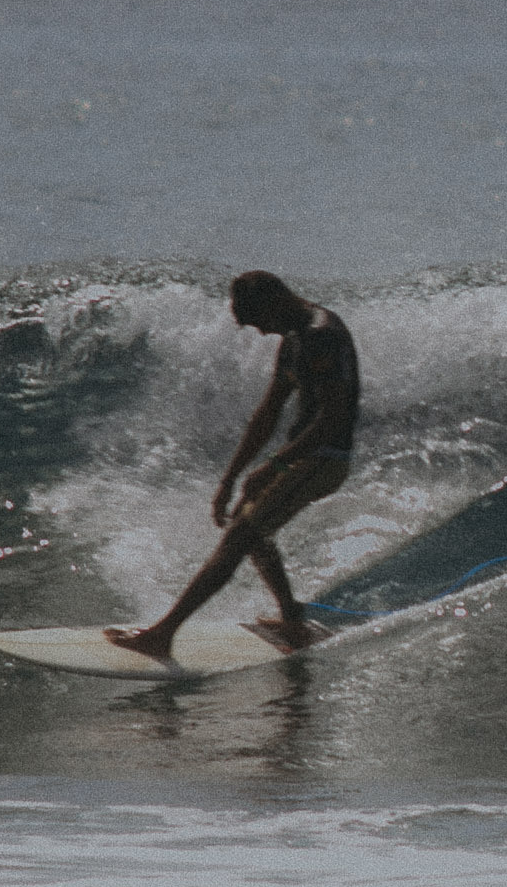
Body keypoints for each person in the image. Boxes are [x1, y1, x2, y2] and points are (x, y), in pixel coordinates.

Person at [104, 270, 359, 662]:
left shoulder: (320, 336)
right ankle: (292, 620)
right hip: (304, 458)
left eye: (259, 321)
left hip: (325, 459)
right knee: (248, 526)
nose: (260, 332)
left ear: (276, 302)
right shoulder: (294, 341)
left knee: (240, 536)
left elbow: (334, 417)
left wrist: (273, 466)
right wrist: (230, 479)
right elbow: (267, 414)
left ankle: (162, 635)